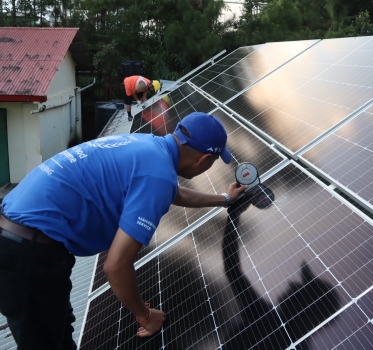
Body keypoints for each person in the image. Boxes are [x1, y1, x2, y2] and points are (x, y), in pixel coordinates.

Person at [0, 112, 247, 349]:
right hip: (27, 256)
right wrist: (145, 315)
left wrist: (224, 198)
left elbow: (172, 191)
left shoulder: (149, 146)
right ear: (203, 160)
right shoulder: (157, 175)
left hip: (16, 236)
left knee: (58, 332)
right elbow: (116, 265)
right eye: (213, 162)